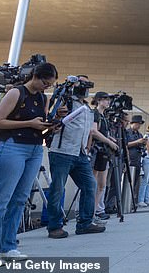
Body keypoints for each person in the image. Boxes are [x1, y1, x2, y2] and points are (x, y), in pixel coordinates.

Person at [0, 63, 57, 259]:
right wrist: (29, 123)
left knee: (20, 199)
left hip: (35, 148)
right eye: (45, 82)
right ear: (35, 76)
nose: (46, 87)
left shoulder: (42, 98)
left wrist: (50, 126)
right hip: (12, 147)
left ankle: (8, 246)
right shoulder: (16, 93)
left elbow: (38, 123)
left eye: (50, 84)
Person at [46, 76, 116, 239]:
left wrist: (87, 147)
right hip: (62, 152)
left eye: (85, 84)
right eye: (80, 83)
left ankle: (84, 223)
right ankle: (54, 225)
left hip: (80, 153)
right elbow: (50, 117)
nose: (83, 87)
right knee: (57, 189)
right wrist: (57, 112)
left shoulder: (87, 109)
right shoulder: (64, 101)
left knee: (89, 185)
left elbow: (89, 131)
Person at [90, 92, 115, 221]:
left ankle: (95, 210)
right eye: (105, 99)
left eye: (108, 100)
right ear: (99, 100)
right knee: (93, 183)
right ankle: (90, 212)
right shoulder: (94, 114)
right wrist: (109, 141)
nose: (108, 102)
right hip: (96, 150)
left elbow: (101, 132)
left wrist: (109, 139)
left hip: (104, 151)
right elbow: (93, 131)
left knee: (102, 184)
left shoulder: (103, 116)